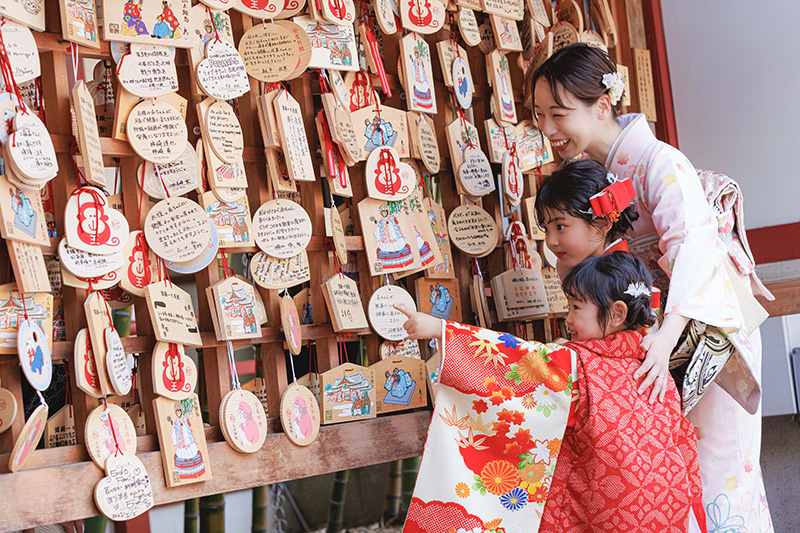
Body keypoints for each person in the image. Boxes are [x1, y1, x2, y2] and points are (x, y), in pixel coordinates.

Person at [531, 43, 772, 531]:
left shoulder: (661, 162)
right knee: (666, 475)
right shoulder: (601, 174)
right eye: (539, 116)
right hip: (655, 338)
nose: (548, 129)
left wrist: (665, 337)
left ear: (602, 106)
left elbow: (694, 249)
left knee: (718, 472)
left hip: (703, 334)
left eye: (558, 114)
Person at [397, 253, 704, 531]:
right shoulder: (654, 364)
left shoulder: (578, 365)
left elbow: (514, 358)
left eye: (575, 307)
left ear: (616, 314)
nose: (568, 318)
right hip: (665, 508)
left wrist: (439, 329)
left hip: (599, 513)